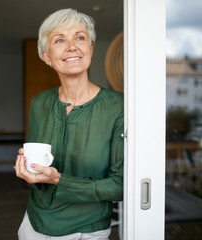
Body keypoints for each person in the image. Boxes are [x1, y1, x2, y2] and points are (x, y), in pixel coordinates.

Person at [14, 8, 123, 239]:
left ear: (91, 48)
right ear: (46, 55)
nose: (72, 46)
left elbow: (119, 186)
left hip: (86, 229)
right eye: (60, 40)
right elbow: (36, 164)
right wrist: (26, 170)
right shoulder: (40, 102)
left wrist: (58, 179)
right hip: (33, 223)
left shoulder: (118, 106)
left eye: (80, 37)